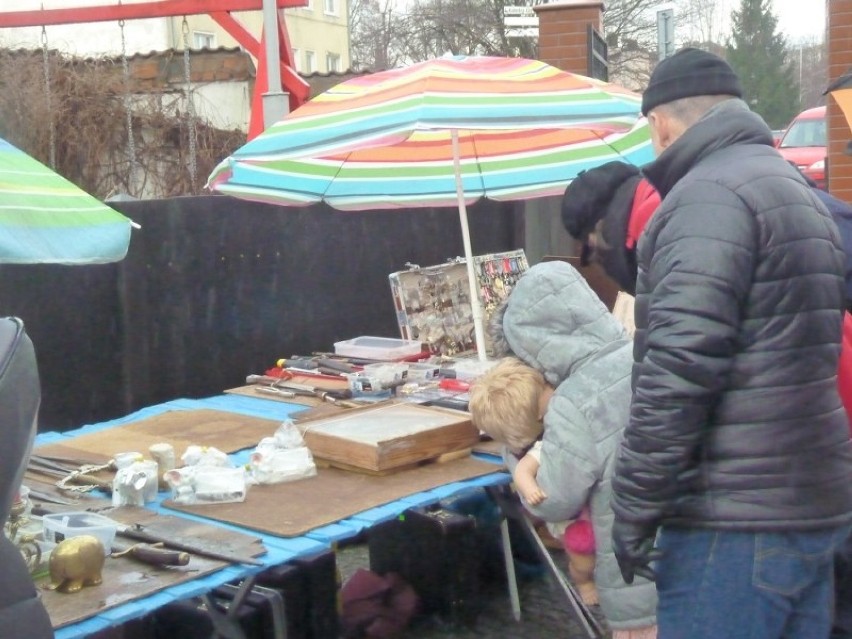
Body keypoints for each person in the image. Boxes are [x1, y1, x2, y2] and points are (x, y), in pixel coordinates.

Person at [608, 47, 852, 639]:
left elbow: (677, 370)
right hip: (810, 504)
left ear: (661, 122)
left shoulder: (705, 198)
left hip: (733, 522)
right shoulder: (793, 189)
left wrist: (634, 505)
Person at [483, 260, 658, 638]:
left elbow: (552, 500)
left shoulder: (573, 401)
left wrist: (517, 456)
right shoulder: (646, 354)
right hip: (691, 548)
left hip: (637, 573)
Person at [468, 356, 599, 606]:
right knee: (584, 560)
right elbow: (523, 471)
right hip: (569, 518)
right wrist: (529, 489)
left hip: (586, 503)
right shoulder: (543, 444)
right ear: (539, 413)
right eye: (546, 388)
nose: (553, 389)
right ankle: (583, 581)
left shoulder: (550, 429)